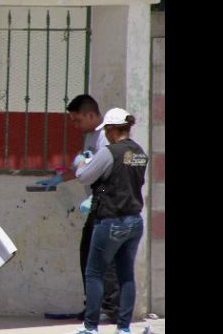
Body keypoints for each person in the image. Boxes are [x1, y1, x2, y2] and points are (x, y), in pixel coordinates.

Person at [36, 94, 119, 323]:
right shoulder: (90, 135)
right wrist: (59, 179)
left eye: (77, 120)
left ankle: (112, 308)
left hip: (105, 206)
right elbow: (85, 167)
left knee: (107, 259)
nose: (75, 125)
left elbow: (108, 172)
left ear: (91, 115)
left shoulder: (105, 136)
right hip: (95, 208)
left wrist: (96, 197)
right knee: (88, 256)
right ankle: (93, 305)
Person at [71, 108, 147, 334]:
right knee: (126, 274)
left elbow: (84, 177)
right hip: (135, 221)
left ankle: (90, 327)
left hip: (111, 219)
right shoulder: (140, 152)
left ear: (112, 129)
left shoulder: (109, 152)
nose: (106, 133)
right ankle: (124, 328)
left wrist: (81, 162)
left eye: (106, 129)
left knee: (94, 272)